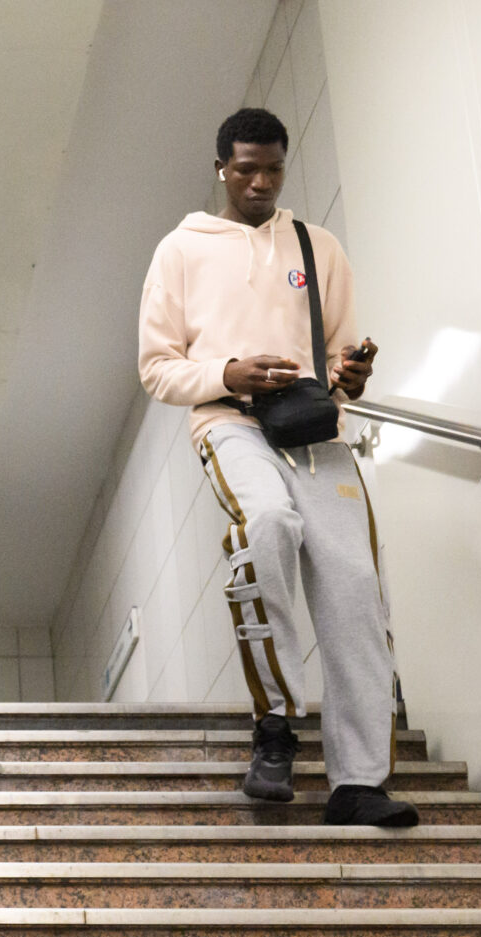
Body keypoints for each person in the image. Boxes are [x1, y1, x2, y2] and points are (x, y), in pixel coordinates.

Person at [137, 106, 418, 828]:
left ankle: (359, 781)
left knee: (356, 587)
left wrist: (350, 374)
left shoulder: (314, 244)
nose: (259, 182)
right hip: (229, 423)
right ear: (221, 168)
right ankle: (276, 725)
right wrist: (230, 371)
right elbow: (156, 369)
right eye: (245, 169)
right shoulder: (181, 250)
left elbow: (340, 351)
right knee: (267, 522)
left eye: (272, 169)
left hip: (314, 430)